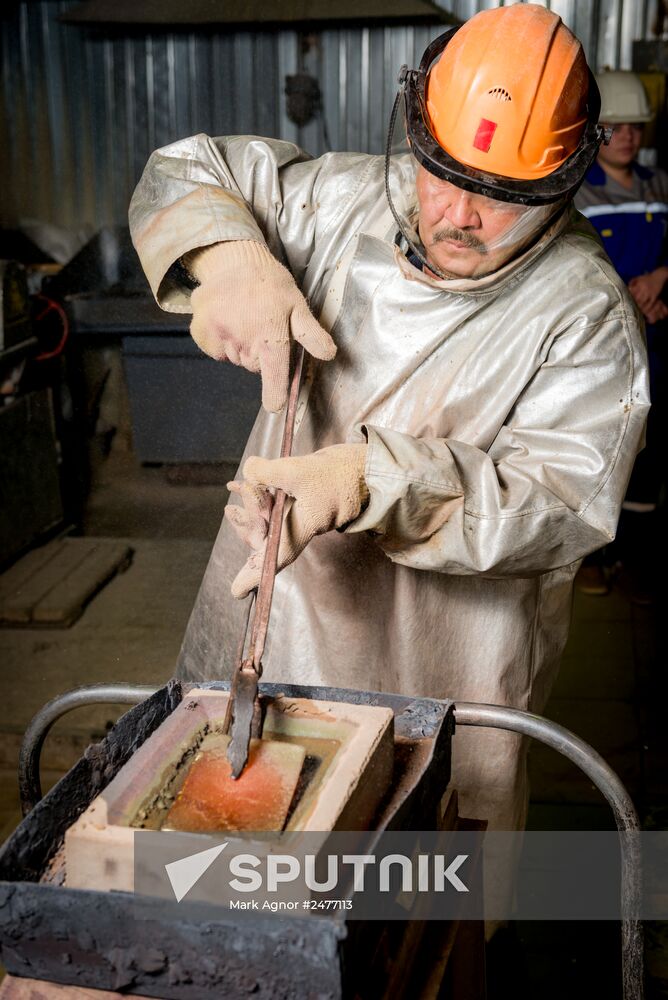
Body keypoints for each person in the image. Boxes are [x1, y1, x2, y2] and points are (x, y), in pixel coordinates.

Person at [129, 3, 648, 900]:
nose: (458, 215)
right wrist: (226, 254)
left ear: (562, 185)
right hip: (271, 607)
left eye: (502, 198)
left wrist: (375, 479)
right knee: (214, 887)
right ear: (418, 131)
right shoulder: (342, 197)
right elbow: (190, 168)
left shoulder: (586, 314)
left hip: (439, 655)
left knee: (411, 904)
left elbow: (560, 497)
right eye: (443, 173)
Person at [575, 70, 667, 602]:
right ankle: (592, 556)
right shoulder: (580, 187)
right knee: (606, 443)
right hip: (608, 341)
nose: (628, 136)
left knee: (652, 445)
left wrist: (659, 281)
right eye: (616, 126)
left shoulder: (660, 184)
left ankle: (634, 555)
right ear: (597, 132)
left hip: (658, 333)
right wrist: (624, 298)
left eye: (636, 126)